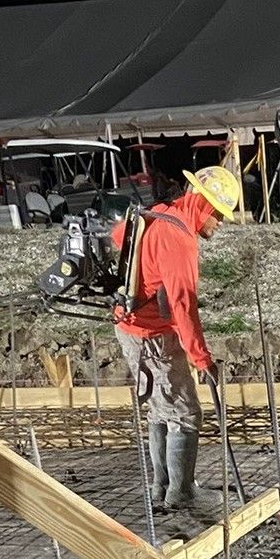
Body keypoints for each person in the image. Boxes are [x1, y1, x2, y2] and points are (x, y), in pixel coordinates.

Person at [111, 165, 240, 516]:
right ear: (202, 203)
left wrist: (148, 274)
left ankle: (162, 488)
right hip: (153, 336)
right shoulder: (180, 241)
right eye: (219, 214)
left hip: (129, 328)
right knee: (185, 413)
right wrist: (202, 359)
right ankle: (180, 494)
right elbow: (184, 306)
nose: (221, 223)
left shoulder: (160, 214)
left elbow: (118, 235)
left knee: (160, 409)